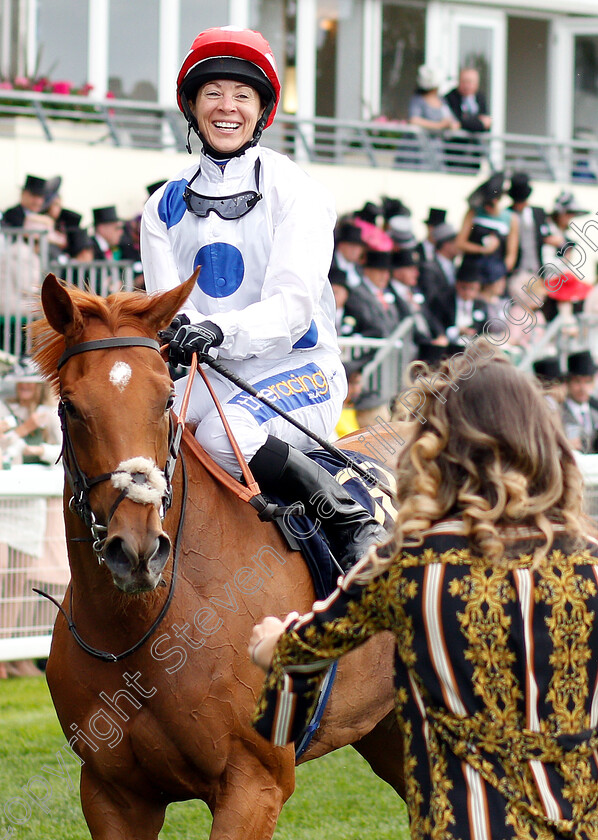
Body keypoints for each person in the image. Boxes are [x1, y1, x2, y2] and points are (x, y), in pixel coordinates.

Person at [249, 353, 598, 840]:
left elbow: (285, 707)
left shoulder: (407, 566)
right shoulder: (589, 564)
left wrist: (272, 645)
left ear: (436, 450)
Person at [140, 25, 385, 571]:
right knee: (141, 436)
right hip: (207, 377)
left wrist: (219, 332)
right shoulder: (161, 206)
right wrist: (182, 337)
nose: (227, 108)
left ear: (262, 110)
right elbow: (165, 306)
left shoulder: (295, 190)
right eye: (213, 94)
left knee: (230, 439)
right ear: (192, 106)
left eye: (242, 95)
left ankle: (347, 517)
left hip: (299, 368)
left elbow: (292, 306)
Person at [456, 171, 519, 284]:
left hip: (495, 273)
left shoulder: (510, 218)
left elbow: (511, 254)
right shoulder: (474, 213)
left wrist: (501, 272)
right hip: (472, 270)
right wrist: (481, 249)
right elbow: (460, 242)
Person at [561, 349, 598, 454]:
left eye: (587, 382)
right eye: (577, 381)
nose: (583, 388)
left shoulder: (595, 410)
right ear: (567, 382)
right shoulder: (558, 413)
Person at [408, 66, 459, 133]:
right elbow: (414, 120)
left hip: (438, 142)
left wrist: (452, 125)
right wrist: (439, 125)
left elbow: (453, 121)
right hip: (421, 141)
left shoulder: (442, 101)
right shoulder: (418, 100)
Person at [444, 67, 492, 132]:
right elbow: (453, 122)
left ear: (477, 84)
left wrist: (462, 124)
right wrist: (478, 122)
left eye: (470, 82)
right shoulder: (450, 98)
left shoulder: (480, 98)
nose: (466, 86)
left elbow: (487, 124)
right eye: (464, 82)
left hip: (475, 141)